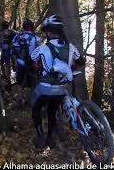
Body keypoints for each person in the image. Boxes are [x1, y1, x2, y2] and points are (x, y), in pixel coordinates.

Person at [30, 14, 85, 148]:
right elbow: (81, 62)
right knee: (52, 110)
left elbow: (32, 60)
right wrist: (70, 68)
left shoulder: (42, 48)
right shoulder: (71, 47)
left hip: (44, 88)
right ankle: (50, 138)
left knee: (35, 109)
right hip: (60, 89)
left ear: (48, 32)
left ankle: (40, 136)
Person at [11, 19, 41, 88]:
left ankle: (18, 94)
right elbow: (40, 52)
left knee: (19, 81)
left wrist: (14, 61)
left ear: (24, 27)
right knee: (31, 82)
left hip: (19, 61)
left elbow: (12, 48)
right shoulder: (36, 38)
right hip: (31, 62)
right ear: (32, 27)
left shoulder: (17, 36)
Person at [0, 21, 16, 85]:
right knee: (7, 64)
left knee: (2, 63)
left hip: (3, 50)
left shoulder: (0, 33)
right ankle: (8, 78)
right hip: (9, 50)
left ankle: (5, 76)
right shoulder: (12, 32)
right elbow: (15, 41)